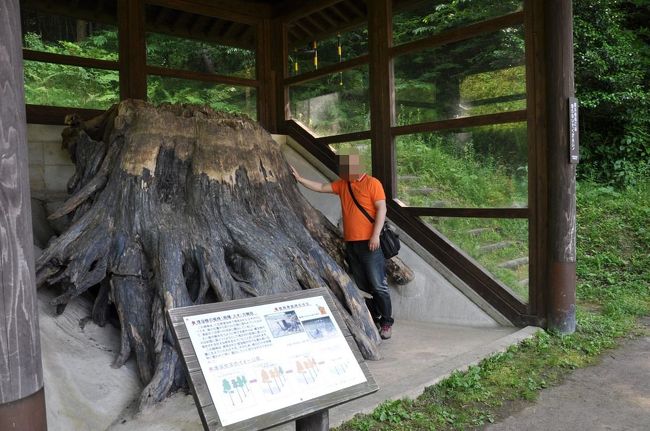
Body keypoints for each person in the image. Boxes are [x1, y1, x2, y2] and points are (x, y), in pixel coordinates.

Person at [290, 154, 394, 340]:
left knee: (378, 285)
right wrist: (300, 179)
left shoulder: (372, 183)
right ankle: (377, 313)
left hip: (370, 242)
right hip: (352, 243)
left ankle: (386, 321)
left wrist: (375, 235)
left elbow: (382, 209)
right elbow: (322, 187)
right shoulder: (343, 184)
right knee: (364, 283)